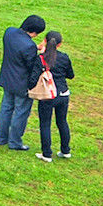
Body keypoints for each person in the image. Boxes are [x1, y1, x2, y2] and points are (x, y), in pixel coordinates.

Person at [0, 14, 47, 151]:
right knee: (21, 112)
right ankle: (15, 142)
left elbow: (20, 48)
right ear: (35, 32)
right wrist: (41, 54)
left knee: (6, 108)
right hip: (22, 84)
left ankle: (1, 138)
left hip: (7, 79)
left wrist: (34, 47)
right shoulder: (29, 46)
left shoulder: (10, 32)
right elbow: (32, 65)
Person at [37, 30, 74, 162]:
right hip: (63, 94)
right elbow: (71, 75)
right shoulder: (64, 57)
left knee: (45, 123)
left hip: (47, 94)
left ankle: (46, 153)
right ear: (60, 44)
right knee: (62, 122)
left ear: (45, 41)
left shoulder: (42, 58)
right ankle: (65, 150)